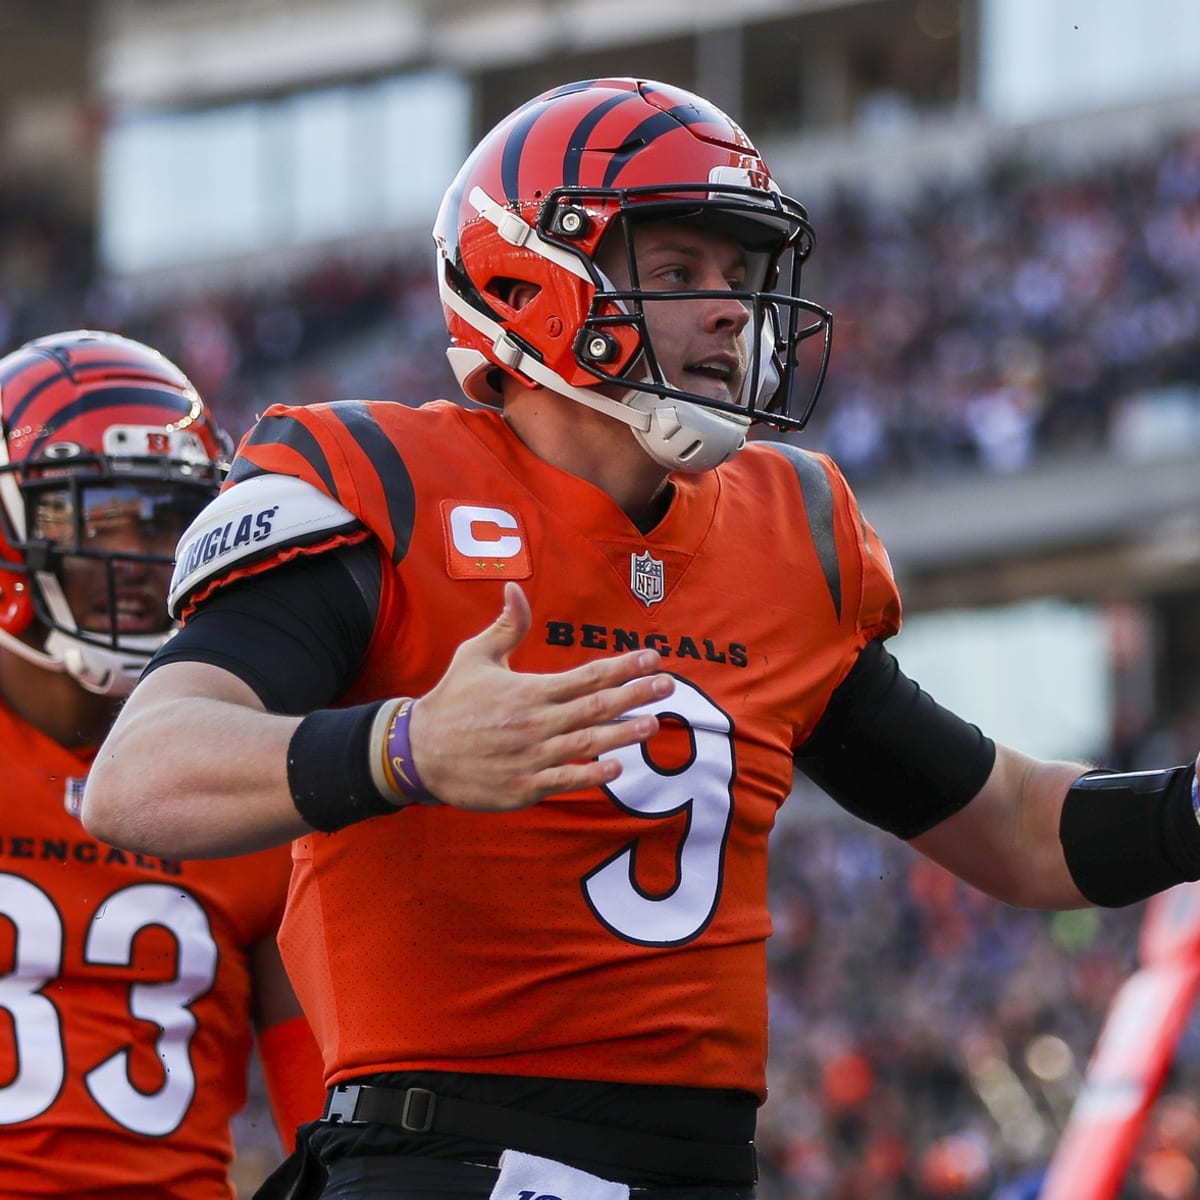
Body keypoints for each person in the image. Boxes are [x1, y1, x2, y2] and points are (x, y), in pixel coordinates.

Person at [81, 78, 1200, 1200]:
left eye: (739, 277)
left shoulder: (788, 533)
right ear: (533, 281)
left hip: (697, 1175)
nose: (728, 310)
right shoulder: (386, 483)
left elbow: (1014, 829)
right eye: (675, 274)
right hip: (444, 1161)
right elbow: (140, 776)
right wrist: (401, 748)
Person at [0, 330, 325, 1198]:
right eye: (98, 512)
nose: (141, 558)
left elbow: (326, 1115)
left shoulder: (245, 763)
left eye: (167, 520)